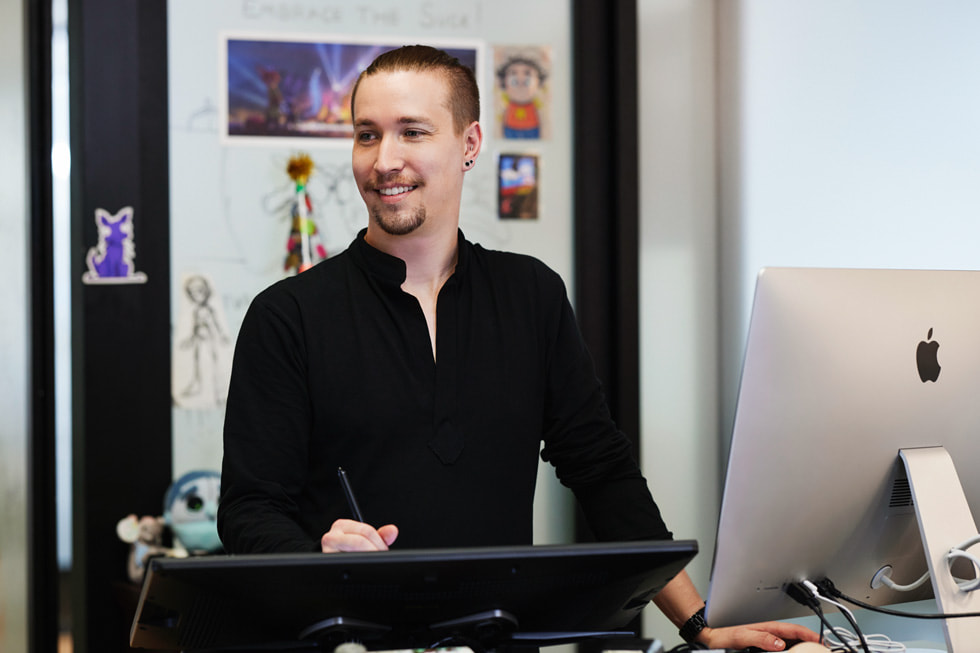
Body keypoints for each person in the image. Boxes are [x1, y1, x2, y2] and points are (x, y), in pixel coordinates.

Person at [218, 45, 820, 652]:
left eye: (413, 132)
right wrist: (320, 556)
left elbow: (601, 471)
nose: (384, 160)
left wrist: (701, 626)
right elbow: (249, 511)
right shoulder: (286, 315)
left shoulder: (530, 294)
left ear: (470, 143)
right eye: (367, 135)